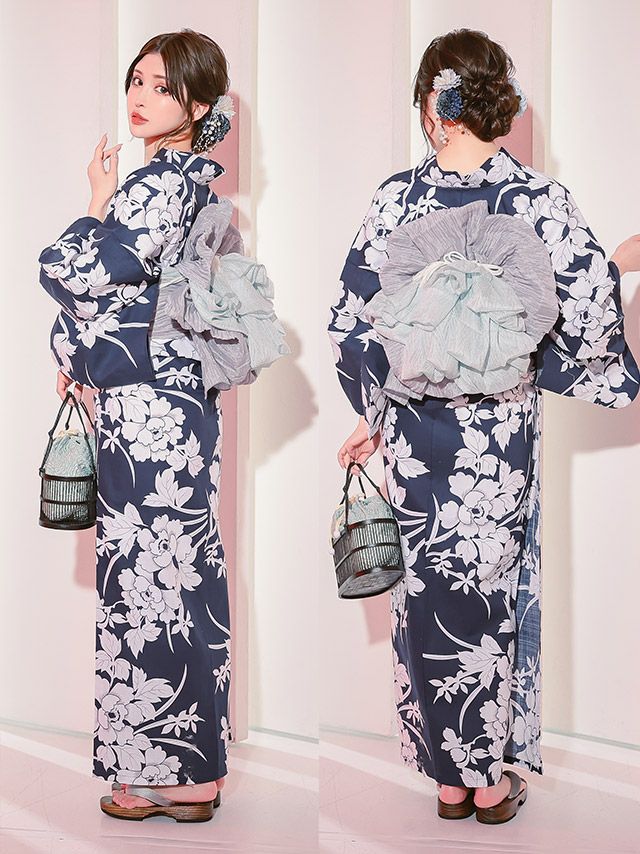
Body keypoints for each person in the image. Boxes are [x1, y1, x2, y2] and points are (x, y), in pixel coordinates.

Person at [327, 28, 640, 825]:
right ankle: (491, 782)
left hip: (416, 431)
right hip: (495, 440)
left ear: (431, 105)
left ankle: (448, 780)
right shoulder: (536, 198)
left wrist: (372, 411)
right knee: (489, 591)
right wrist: (621, 261)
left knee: (427, 590)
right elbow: (588, 314)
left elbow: (355, 319)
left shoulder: (397, 198)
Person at [39, 29, 244, 823]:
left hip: (153, 412)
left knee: (152, 578)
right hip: (170, 404)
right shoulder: (185, 181)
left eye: (162, 86)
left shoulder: (160, 183)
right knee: (173, 572)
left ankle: (180, 777)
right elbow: (130, 298)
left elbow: (86, 273)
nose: (141, 96)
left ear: (198, 103)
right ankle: (185, 769)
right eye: (137, 80)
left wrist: (94, 201)